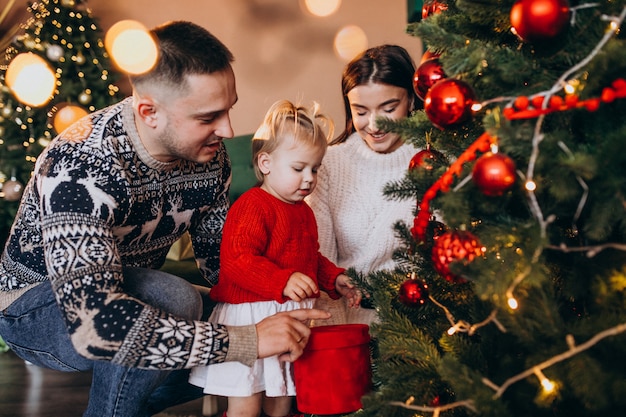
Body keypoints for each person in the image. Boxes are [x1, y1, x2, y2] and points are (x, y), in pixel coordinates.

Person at [0, 21, 331, 417]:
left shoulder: (210, 158)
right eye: (208, 117)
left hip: (134, 291)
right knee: (176, 299)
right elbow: (96, 323)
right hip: (37, 308)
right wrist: (245, 340)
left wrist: (279, 301)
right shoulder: (80, 163)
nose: (226, 130)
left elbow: (222, 266)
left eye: (229, 109)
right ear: (149, 112)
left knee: (249, 313)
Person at [188, 100, 361, 417]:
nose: (308, 178)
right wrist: (282, 280)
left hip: (288, 320)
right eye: (298, 168)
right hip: (251, 319)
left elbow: (310, 258)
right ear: (265, 163)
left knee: (282, 399)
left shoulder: (303, 211)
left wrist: (333, 278)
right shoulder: (253, 205)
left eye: (315, 169)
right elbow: (238, 261)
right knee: (247, 402)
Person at [306, 44, 421, 326]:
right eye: (361, 111)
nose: (374, 125)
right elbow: (320, 263)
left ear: (411, 100)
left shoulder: (434, 161)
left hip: (422, 322)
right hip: (348, 322)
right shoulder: (329, 164)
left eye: (388, 108)